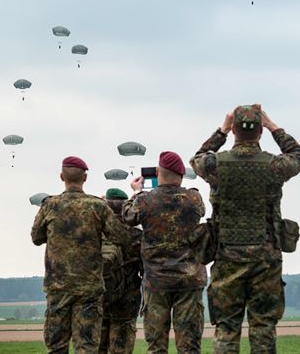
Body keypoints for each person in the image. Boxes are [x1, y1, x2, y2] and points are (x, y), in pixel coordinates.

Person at [190, 105, 300, 353]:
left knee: (226, 328)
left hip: (227, 256)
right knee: (263, 327)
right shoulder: (274, 165)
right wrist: (274, 126)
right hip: (266, 259)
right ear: (260, 132)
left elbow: (197, 157)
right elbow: (298, 156)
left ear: (233, 130)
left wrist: (220, 132)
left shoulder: (215, 164)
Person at [32, 156, 130, 354]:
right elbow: (121, 237)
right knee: (86, 347)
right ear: (85, 178)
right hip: (89, 289)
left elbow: (36, 237)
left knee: (56, 347)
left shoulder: (50, 206)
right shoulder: (98, 206)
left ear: (62, 176)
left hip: (58, 288)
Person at [123, 151, 207, 354]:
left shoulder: (144, 201)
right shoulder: (193, 198)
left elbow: (128, 216)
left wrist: (136, 192)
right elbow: (201, 211)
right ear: (180, 175)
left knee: (156, 346)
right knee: (189, 347)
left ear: (158, 172)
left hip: (156, 282)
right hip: (189, 280)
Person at [100, 188, 143, 354]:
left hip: (98, 301)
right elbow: (144, 269)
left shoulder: (96, 234)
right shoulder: (135, 235)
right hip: (127, 303)